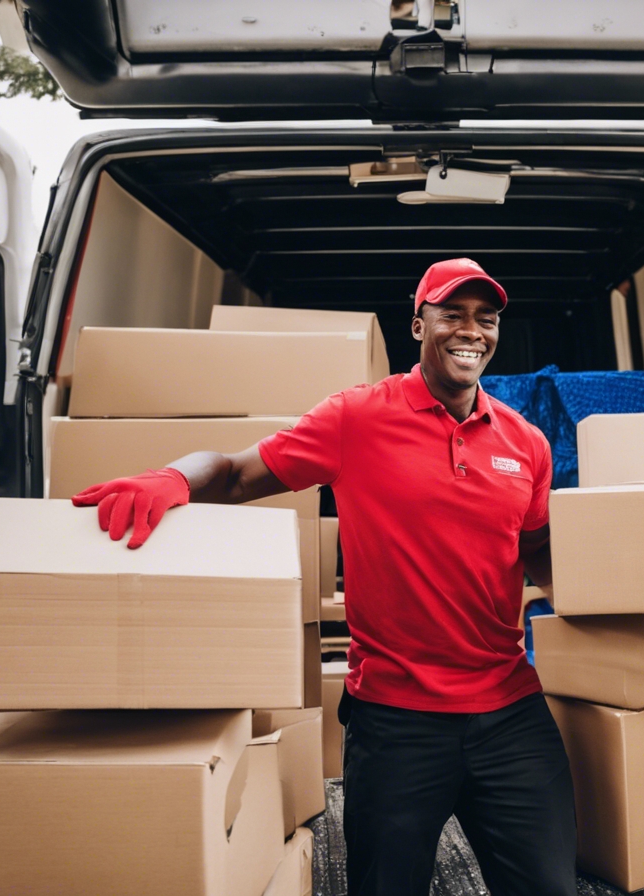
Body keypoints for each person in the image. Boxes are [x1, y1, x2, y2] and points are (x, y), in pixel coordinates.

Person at [72, 258, 577, 896]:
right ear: (419, 324)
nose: (470, 331)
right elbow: (233, 471)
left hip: (509, 710)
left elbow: (538, 550)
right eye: (452, 314)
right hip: (397, 719)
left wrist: (622, 593)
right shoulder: (356, 419)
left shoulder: (526, 442)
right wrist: (172, 478)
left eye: (486, 318)